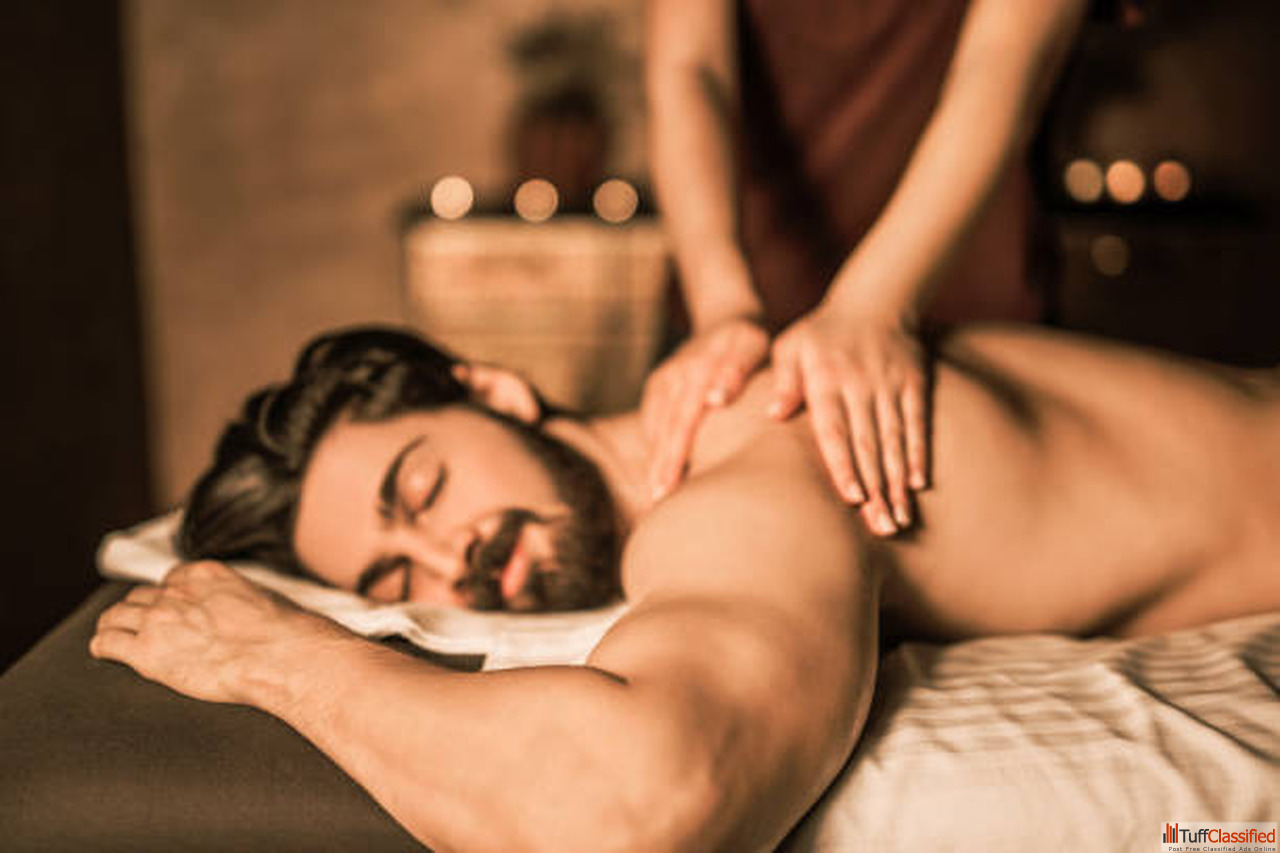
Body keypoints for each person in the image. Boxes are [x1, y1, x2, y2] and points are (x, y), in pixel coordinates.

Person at [90, 324, 1280, 850]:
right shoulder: (715, 408)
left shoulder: (745, 476)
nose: (457, 558)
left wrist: (278, 652)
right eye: (399, 576)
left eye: (425, 485)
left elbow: (635, 809)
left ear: (494, 390)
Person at [643, 0, 1090, 538]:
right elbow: (692, 67)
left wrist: (874, 303)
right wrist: (721, 305)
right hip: (729, 328)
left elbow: (1002, 64)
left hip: (960, 306)